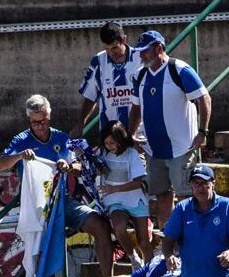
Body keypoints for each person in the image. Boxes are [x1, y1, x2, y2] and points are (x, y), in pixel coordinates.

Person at [0, 94, 113, 277]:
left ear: (49, 117)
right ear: (29, 121)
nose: (40, 127)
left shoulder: (60, 137)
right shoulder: (21, 140)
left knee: (99, 225)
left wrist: (68, 166)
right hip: (40, 206)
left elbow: (81, 167)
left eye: (44, 121)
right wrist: (20, 156)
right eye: (35, 122)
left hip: (64, 200)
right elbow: (1, 163)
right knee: (44, 250)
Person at [128, 31, 212, 226]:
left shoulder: (179, 69)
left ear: (159, 48)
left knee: (186, 197)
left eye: (146, 51)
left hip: (181, 149)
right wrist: (130, 135)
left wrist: (203, 132)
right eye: (140, 52)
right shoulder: (140, 75)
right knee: (162, 197)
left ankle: (192, 237)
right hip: (154, 150)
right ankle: (168, 242)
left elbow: (204, 98)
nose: (142, 56)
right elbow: (136, 107)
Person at [96, 121, 152, 263]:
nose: (110, 146)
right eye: (106, 143)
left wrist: (114, 189)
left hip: (135, 200)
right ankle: (133, 258)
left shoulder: (131, 154)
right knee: (119, 227)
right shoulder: (103, 153)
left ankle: (151, 270)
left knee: (143, 241)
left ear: (120, 140)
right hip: (115, 201)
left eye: (112, 142)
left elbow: (138, 182)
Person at [77, 20, 138, 137]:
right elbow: (90, 96)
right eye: (107, 49)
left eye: (114, 48)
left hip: (139, 135)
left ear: (124, 40)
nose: (111, 53)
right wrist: (80, 124)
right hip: (110, 136)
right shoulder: (98, 61)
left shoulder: (140, 58)